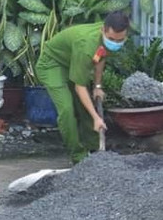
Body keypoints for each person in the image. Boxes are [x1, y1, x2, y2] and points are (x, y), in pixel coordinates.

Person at [36, 11, 129, 164]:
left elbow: (100, 55)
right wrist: (96, 117)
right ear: (103, 30)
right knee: (67, 109)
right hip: (53, 65)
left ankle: (94, 148)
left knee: (85, 105)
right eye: (112, 39)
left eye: (120, 40)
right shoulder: (86, 45)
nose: (116, 43)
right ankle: (78, 156)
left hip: (72, 62)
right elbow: (80, 87)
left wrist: (98, 86)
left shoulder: (113, 35)